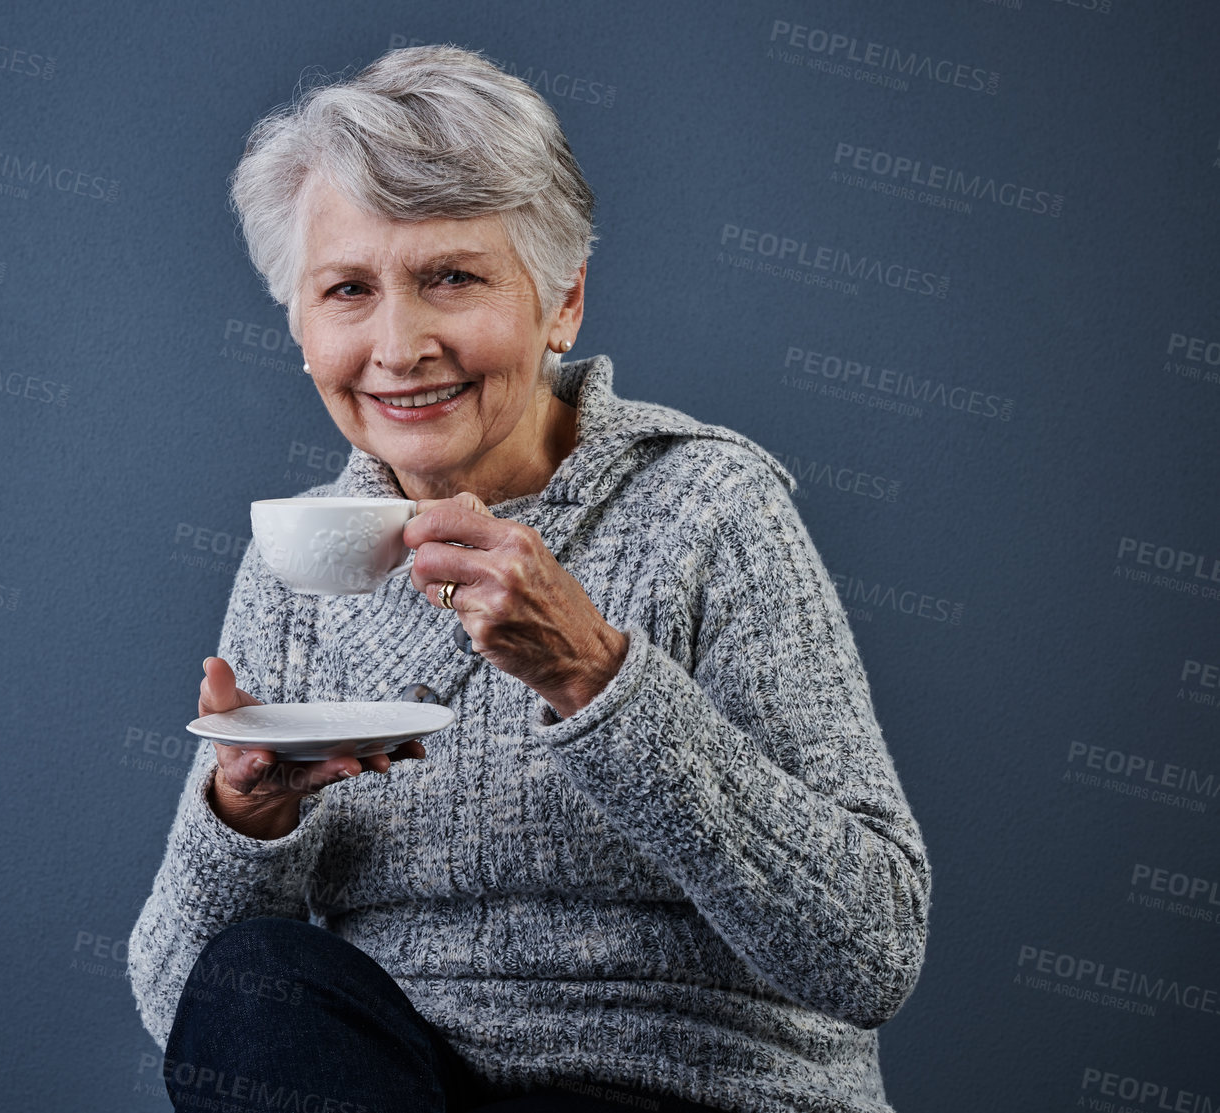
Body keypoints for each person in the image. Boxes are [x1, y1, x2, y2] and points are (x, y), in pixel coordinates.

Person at [128, 44, 930, 1113]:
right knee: (252, 984)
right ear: (299, 325)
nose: (399, 344)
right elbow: (183, 1011)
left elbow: (869, 952)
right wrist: (244, 819)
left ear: (562, 302)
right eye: (348, 290)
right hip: (394, 1087)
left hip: (679, 1090)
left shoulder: (706, 509)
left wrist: (600, 679)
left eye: (450, 278)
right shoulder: (298, 563)